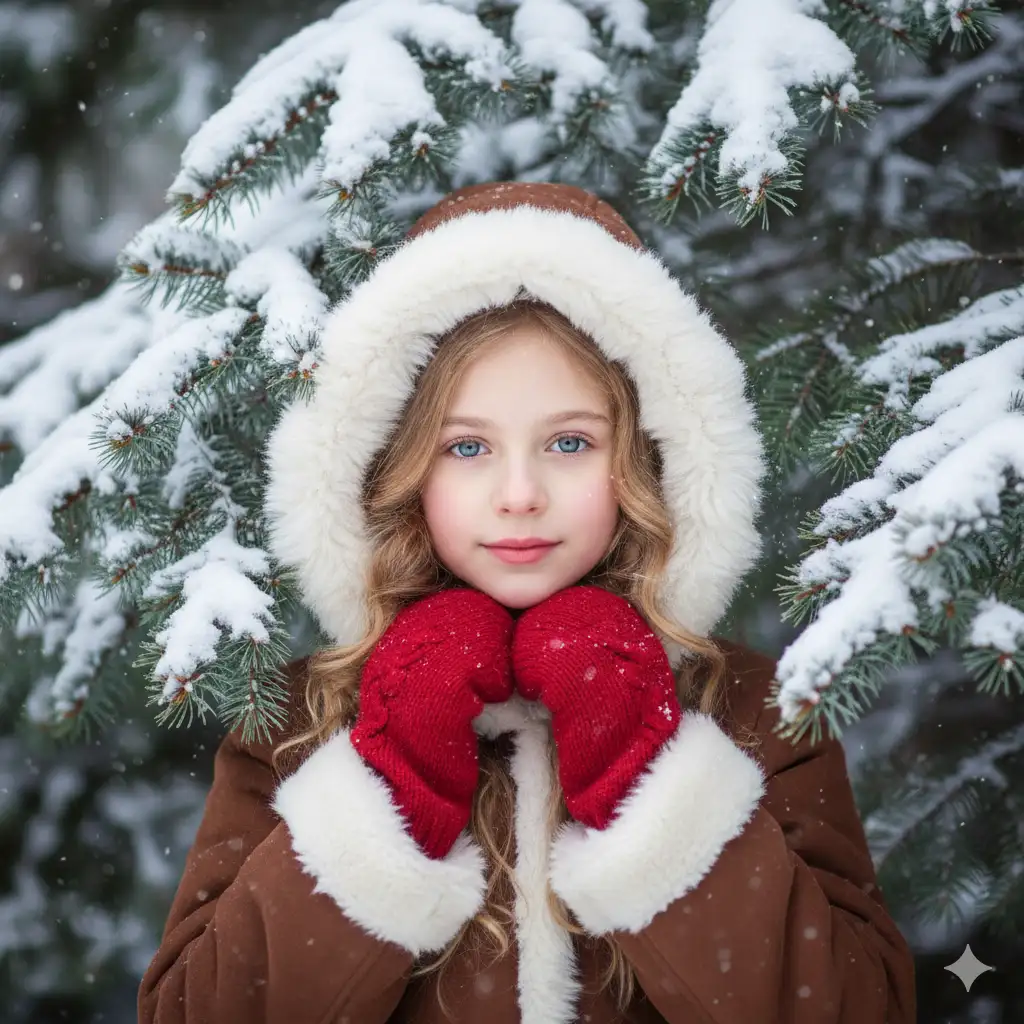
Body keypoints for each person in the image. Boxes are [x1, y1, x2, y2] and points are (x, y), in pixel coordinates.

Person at [138, 181, 916, 1024]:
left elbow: (853, 1005)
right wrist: (391, 781)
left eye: (570, 442)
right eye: (467, 446)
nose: (519, 494)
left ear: (650, 462)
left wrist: (644, 777)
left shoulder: (751, 714)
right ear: (393, 467)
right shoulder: (297, 722)